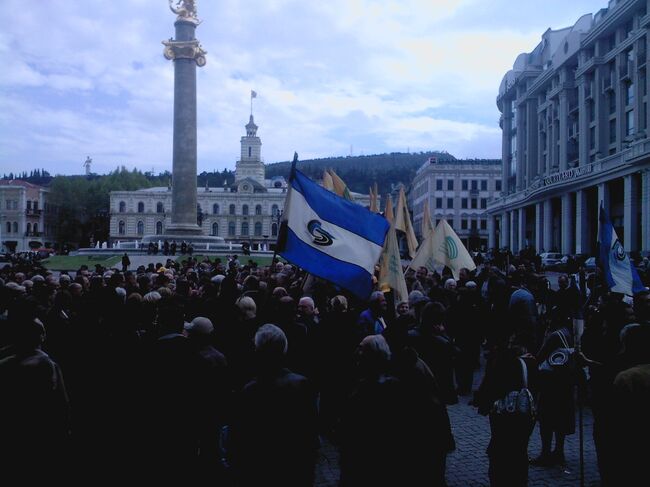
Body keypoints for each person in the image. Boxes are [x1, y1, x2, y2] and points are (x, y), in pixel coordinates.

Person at [229, 324, 318, 487]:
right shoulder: (302, 385)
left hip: (261, 471)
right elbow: (310, 435)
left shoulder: (251, 390)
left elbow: (239, 440)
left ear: (258, 351)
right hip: (294, 469)